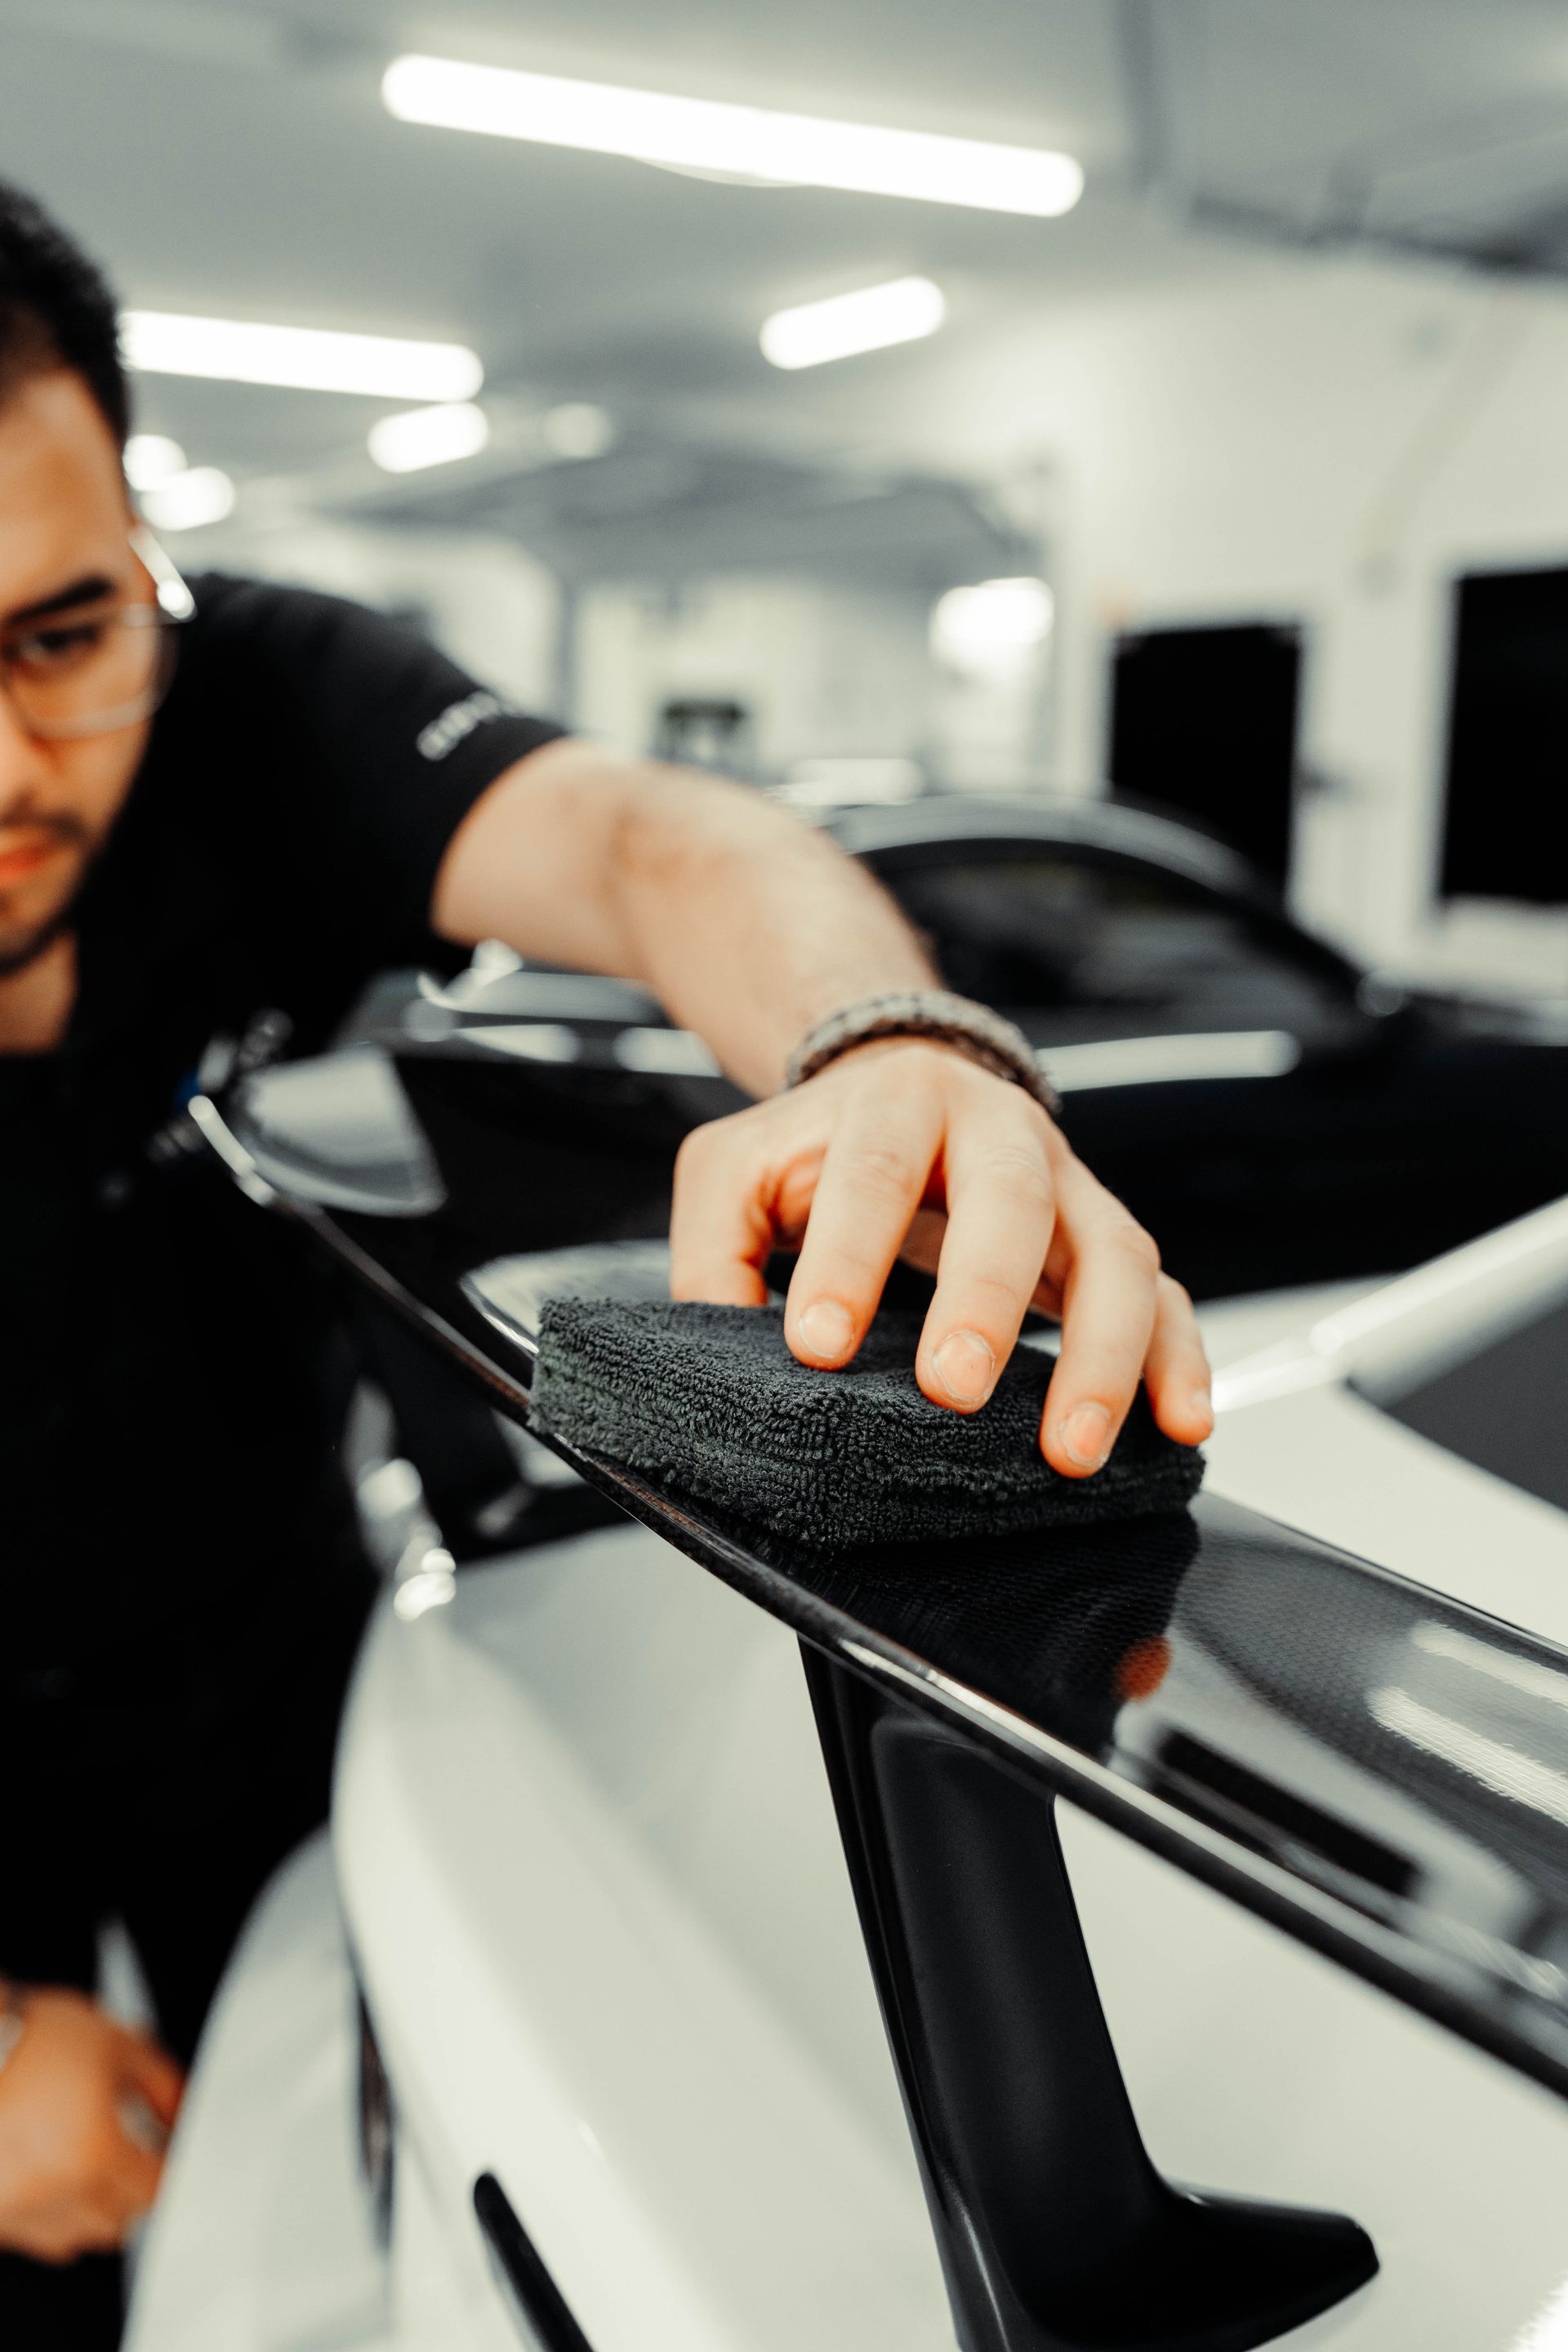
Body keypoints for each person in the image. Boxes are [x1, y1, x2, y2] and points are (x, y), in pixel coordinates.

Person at [0, 179, 1212, 2341]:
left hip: (258, 1667)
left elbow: (657, 844)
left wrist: (892, 1046)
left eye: (60, 639)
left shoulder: (261, 700)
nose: (4, 765)